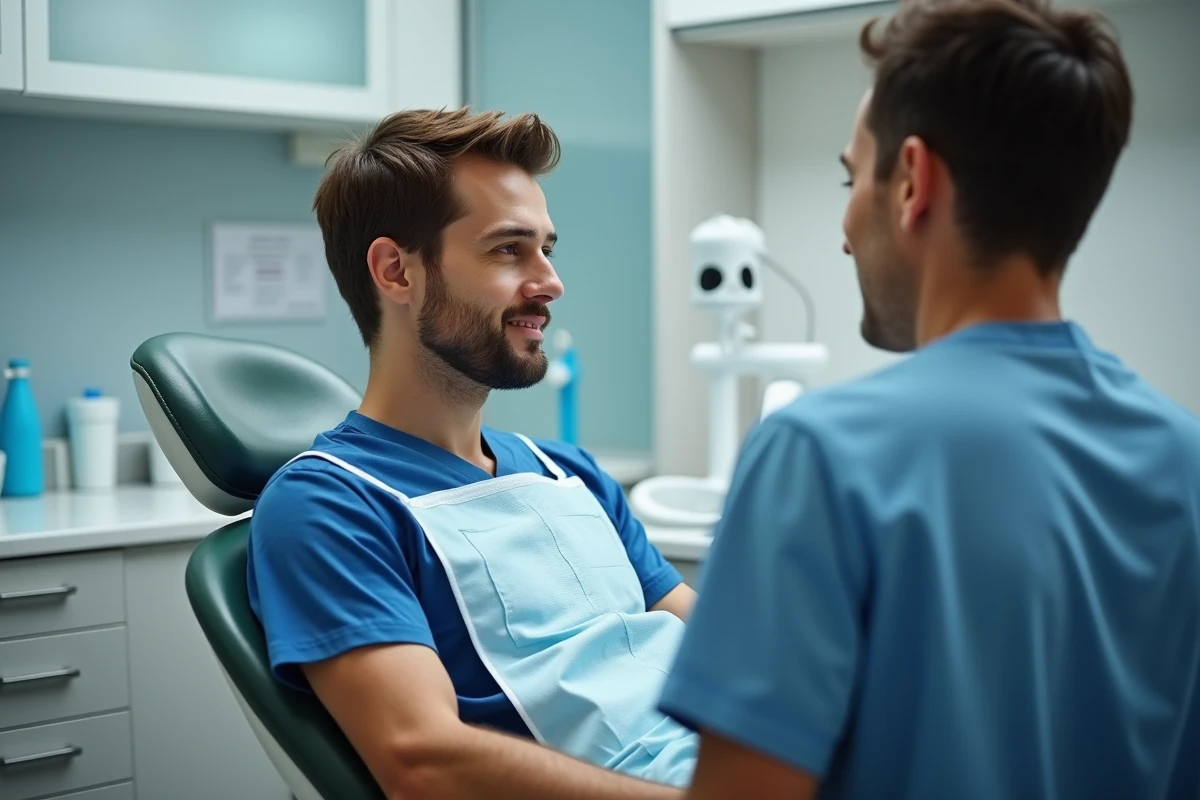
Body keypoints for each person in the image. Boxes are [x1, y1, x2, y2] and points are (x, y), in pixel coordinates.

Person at [659, 0, 1200, 798]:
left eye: (852, 178)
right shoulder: (1183, 459)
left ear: (913, 181)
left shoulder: (818, 456)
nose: (845, 231)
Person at [246, 108, 699, 800]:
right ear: (396, 271)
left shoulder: (568, 473)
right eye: (508, 250)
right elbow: (424, 762)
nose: (549, 282)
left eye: (548, 248)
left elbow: (714, 648)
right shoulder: (330, 505)